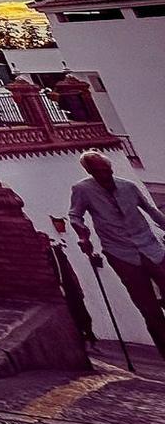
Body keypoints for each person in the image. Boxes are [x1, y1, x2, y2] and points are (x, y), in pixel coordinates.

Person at [68, 151, 165, 354]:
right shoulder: (82, 190)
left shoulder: (128, 186)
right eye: (99, 172)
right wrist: (82, 235)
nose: (106, 175)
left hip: (150, 247)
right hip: (120, 253)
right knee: (148, 308)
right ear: (90, 171)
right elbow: (75, 215)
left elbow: (151, 210)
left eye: (107, 170)